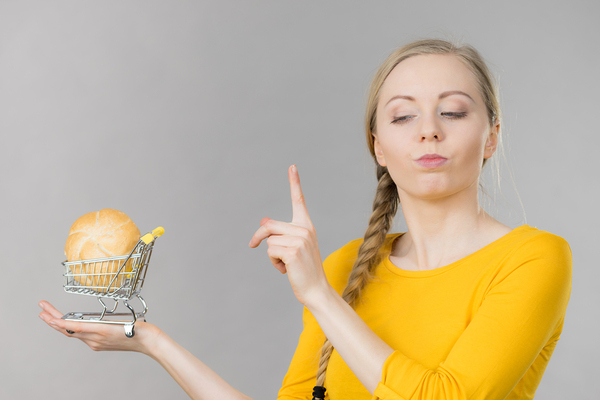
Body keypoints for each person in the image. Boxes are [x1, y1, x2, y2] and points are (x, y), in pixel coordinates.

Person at [39, 38, 572, 400]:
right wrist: (150, 340)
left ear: (492, 137)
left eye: (453, 111)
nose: (428, 130)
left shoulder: (534, 258)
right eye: (403, 115)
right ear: (378, 147)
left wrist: (319, 294)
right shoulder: (343, 268)